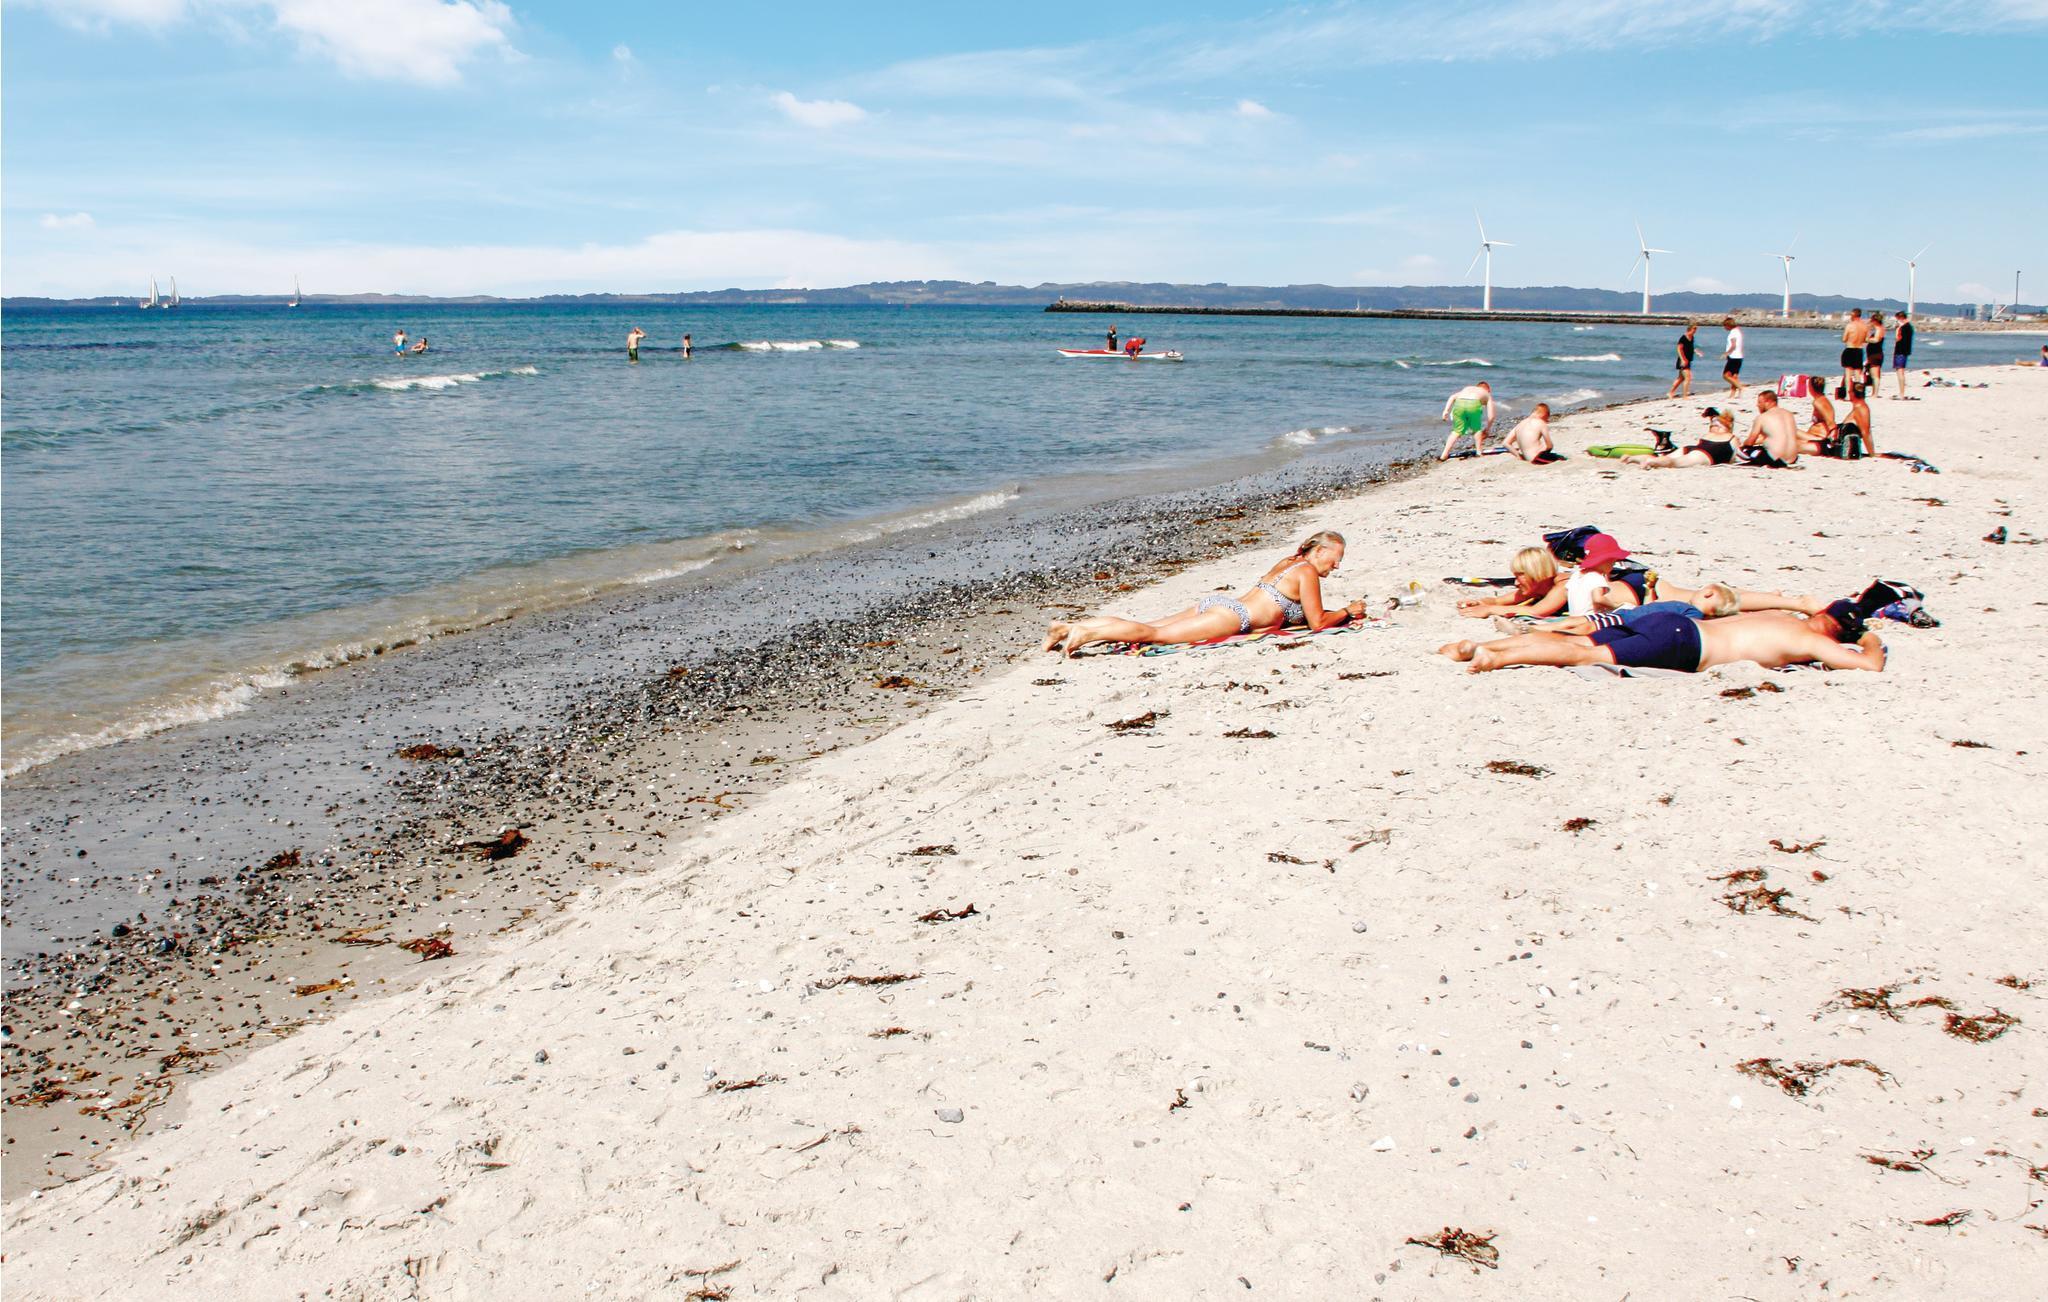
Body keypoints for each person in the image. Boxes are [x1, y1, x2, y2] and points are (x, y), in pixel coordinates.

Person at [1044, 532, 1368, 657]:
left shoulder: (1290, 562)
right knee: (1153, 634)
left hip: (1223, 605)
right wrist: (1348, 611)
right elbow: (1317, 622)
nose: (1337, 565)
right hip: (1234, 618)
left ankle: (1066, 628)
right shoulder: (1307, 571)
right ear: (1319, 551)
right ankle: (1085, 634)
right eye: (1335, 558)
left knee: (1147, 626)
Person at [1438, 600, 1886, 674]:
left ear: (1822, 613)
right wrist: (1869, 638)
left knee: (1579, 643)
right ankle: (1497, 659)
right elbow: (1871, 664)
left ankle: (1484, 647)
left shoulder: (1782, 617)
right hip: (1686, 645)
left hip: (1673, 622)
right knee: (1581, 656)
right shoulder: (1814, 642)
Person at [1456, 547, 1567, 618]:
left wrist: (1489, 610)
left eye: (1520, 576)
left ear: (1538, 574)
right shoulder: (1538, 587)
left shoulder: (1564, 586)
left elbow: (1537, 611)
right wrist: (1479, 603)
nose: (1516, 583)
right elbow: (1497, 601)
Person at [1626, 408, 1737, 468]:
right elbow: (1733, 458)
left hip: (1692, 448)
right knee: (1674, 462)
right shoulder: (1731, 437)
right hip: (1706, 454)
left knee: (1665, 457)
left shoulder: (1709, 433)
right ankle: (1650, 462)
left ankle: (1630, 458)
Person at [1737, 389, 1801, 467]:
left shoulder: (1762, 417)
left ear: (1768, 402)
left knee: (1743, 450)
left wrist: (1742, 444)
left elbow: (1750, 442)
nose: (1757, 405)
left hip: (1775, 459)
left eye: (1759, 402)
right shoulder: (1789, 414)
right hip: (1792, 458)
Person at [1439, 381, 1495, 460]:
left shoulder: (1468, 389)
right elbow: (1491, 416)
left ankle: (1444, 454)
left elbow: (1452, 397)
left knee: (1456, 431)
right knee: (1476, 429)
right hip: (1473, 404)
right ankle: (1479, 452)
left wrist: (1446, 410)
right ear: (1488, 390)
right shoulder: (1487, 394)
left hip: (1459, 403)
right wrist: (1487, 429)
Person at [1833, 383, 1876, 457]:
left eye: (1849, 391)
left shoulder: (1861, 409)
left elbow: (1866, 433)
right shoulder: (1858, 408)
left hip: (1844, 449)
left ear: (1852, 394)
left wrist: (1872, 454)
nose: (1849, 393)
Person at [1667, 322, 1699, 398]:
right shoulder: (1683, 338)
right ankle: (1685, 396)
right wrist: (1683, 360)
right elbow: (1679, 349)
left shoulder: (1692, 337)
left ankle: (1670, 393)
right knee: (1688, 377)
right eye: (1694, 329)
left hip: (1688, 360)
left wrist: (1696, 351)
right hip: (1683, 360)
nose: (1695, 331)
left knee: (1681, 378)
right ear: (1689, 329)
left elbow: (1691, 347)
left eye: (1696, 329)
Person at [1839, 308, 1865, 396]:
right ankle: (1858, 393)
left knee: (1848, 373)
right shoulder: (1864, 326)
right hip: (1859, 350)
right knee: (1858, 373)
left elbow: (1844, 339)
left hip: (1850, 349)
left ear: (1853, 315)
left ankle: (1848, 393)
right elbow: (1866, 339)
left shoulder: (1850, 325)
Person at [1721, 317, 1745, 397]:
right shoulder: (1738, 331)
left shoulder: (1732, 333)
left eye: (1725, 326)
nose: (1724, 328)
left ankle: (1740, 387)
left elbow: (1733, 345)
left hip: (1733, 357)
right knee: (1734, 376)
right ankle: (1733, 394)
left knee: (1725, 375)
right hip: (1739, 356)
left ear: (1728, 325)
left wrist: (1726, 353)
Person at [1890, 314, 1913, 397]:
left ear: (1901, 318)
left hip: (1900, 351)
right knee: (1900, 372)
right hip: (1904, 351)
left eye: (1897, 319)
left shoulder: (1903, 328)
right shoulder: (1909, 327)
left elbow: (1898, 338)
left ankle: (1901, 393)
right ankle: (1901, 392)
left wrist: (1898, 329)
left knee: (1900, 372)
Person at [1864, 312, 1886, 392]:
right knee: (1873, 374)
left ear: (1875, 321)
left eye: (1872, 320)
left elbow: (1876, 340)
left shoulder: (1879, 329)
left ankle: (1875, 393)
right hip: (1873, 354)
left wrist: (1867, 339)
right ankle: (1874, 392)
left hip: (1875, 353)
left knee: (1875, 375)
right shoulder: (1879, 328)